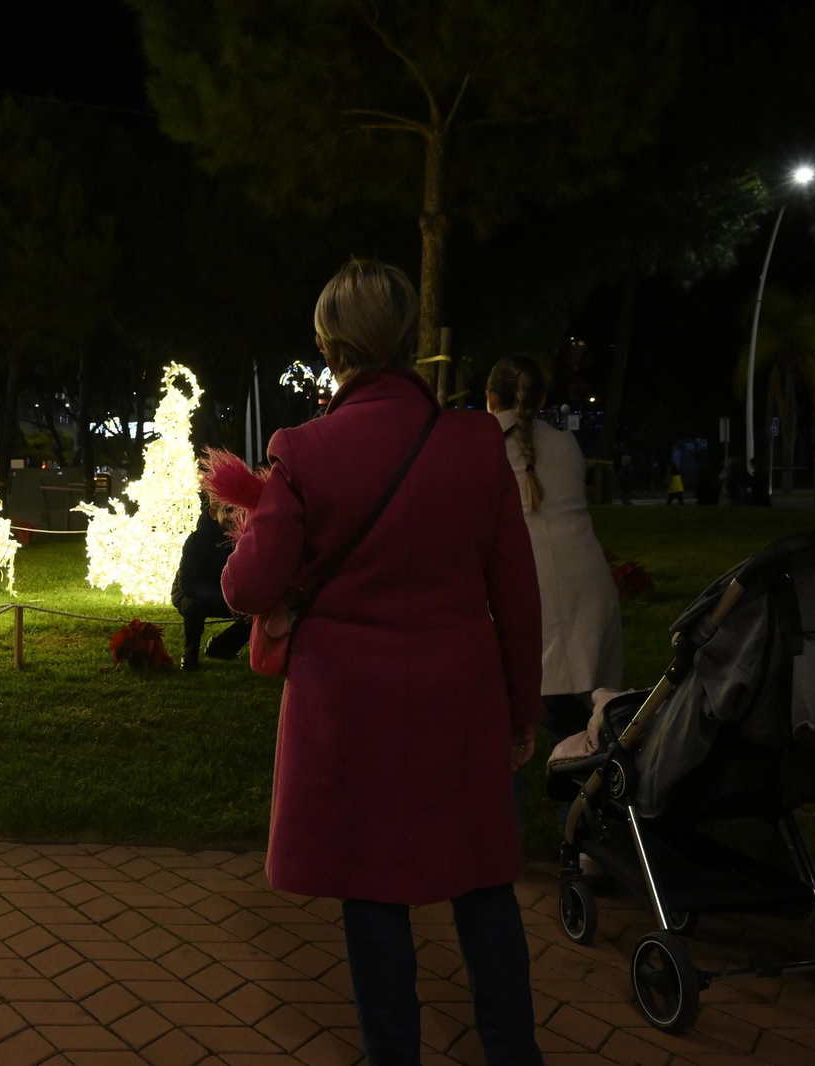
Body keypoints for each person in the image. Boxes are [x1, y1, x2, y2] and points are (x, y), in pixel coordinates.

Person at [221, 259, 545, 1066]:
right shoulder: (476, 442)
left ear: (331, 348)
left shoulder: (305, 449)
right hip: (463, 699)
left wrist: (259, 514)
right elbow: (518, 593)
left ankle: (391, 1055)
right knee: (483, 884)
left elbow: (246, 586)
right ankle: (514, 1053)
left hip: (349, 708)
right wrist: (523, 710)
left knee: (371, 889)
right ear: (405, 341)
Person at [486, 356, 623, 833]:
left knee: (500, 723)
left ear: (490, 398)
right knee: (579, 723)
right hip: (586, 589)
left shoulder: (482, 447)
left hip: (527, 592)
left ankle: (509, 835)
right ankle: (585, 838)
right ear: (542, 400)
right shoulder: (566, 443)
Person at [171, 500, 251, 670]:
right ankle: (190, 654)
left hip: (230, 596)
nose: (235, 515)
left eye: (239, 509)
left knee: (259, 610)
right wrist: (226, 599)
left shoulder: (249, 539)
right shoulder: (196, 540)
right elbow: (188, 583)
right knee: (194, 606)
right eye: (229, 510)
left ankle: (222, 647)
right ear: (214, 513)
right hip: (191, 594)